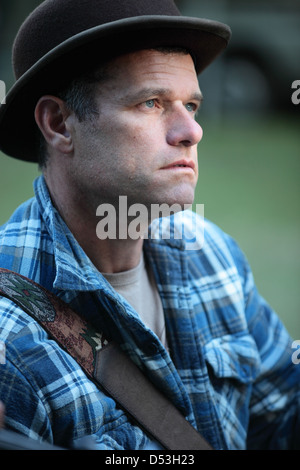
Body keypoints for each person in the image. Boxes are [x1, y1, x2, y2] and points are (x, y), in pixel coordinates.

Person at [0, 0, 299, 451]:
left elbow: (282, 417)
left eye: (192, 105)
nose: (190, 131)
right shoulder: (9, 343)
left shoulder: (211, 253)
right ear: (59, 123)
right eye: (152, 102)